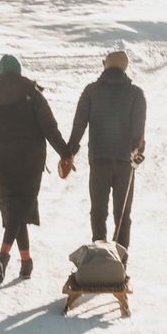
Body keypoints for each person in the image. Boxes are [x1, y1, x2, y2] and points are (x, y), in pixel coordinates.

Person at [0, 54, 72, 283]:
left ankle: (26, 261)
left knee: (15, 210)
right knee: (19, 210)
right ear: (19, 71)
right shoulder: (33, 94)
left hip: (4, 161)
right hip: (31, 162)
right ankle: (4, 255)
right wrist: (65, 153)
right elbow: (50, 128)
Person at [67, 50, 147, 255]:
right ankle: (120, 259)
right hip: (125, 162)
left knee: (98, 210)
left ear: (106, 66)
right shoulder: (136, 94)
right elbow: (139, 132)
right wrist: (137, 150)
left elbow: (79, 124)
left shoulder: (91, 91)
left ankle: (101, 256)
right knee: (122, 213)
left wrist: (70, 152)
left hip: (99, 159)